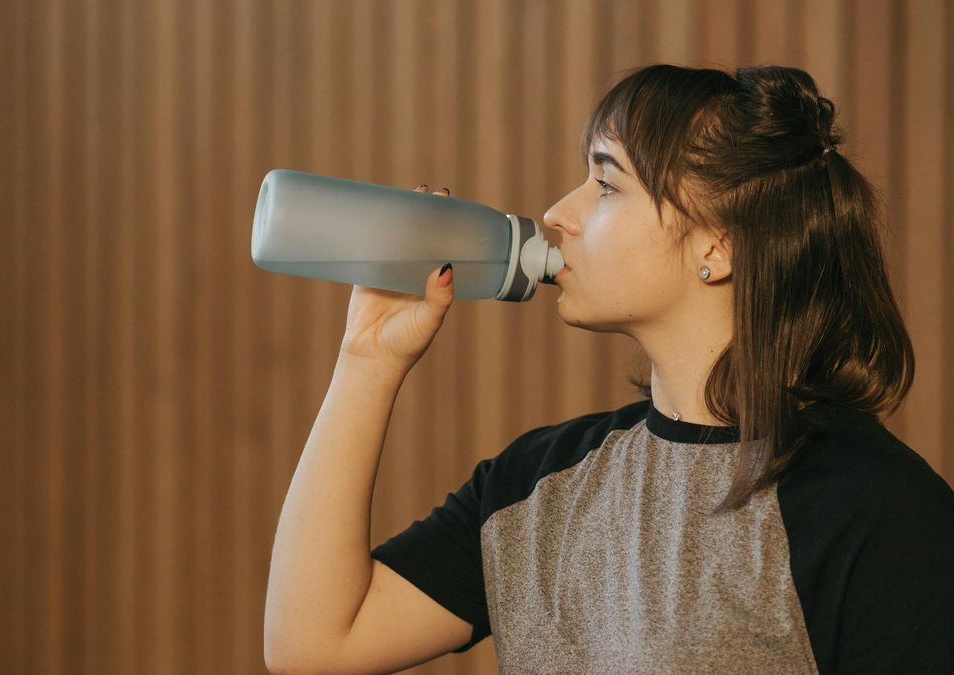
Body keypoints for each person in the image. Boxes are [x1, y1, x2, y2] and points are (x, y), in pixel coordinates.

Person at [263, 64, 954, 674]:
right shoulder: (536, 485)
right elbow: (314, 645)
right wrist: (368, 360)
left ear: (719, 244)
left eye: (605, 184)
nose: (557, 214)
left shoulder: (873, 508)